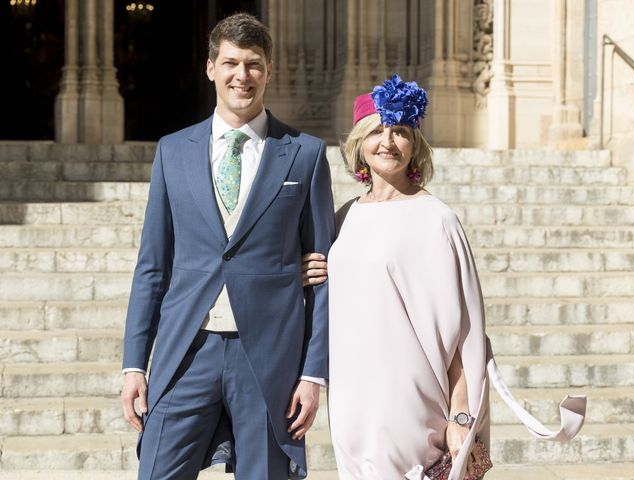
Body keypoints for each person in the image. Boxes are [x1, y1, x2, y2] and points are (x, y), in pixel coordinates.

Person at [302, 75, 586, 480]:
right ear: (359, 144)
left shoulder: (436, 221)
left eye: (400, 131)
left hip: (411, 405)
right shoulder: (345, 217)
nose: (388, 141)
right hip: (352, 399)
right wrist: (305, 270)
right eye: (378, 130)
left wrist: (460, 415)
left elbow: (463, 336)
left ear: (414, 145)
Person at [120, 13, 335, 480]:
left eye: (254, 64)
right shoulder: (173, 150)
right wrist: (134, 364)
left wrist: (313, 373)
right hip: (186, 351)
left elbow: (323, 278)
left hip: (268, 358)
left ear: (269, 70)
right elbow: (152, 266)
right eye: (232, 63)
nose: (243, 76)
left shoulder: (306, 153)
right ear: (211, 67)